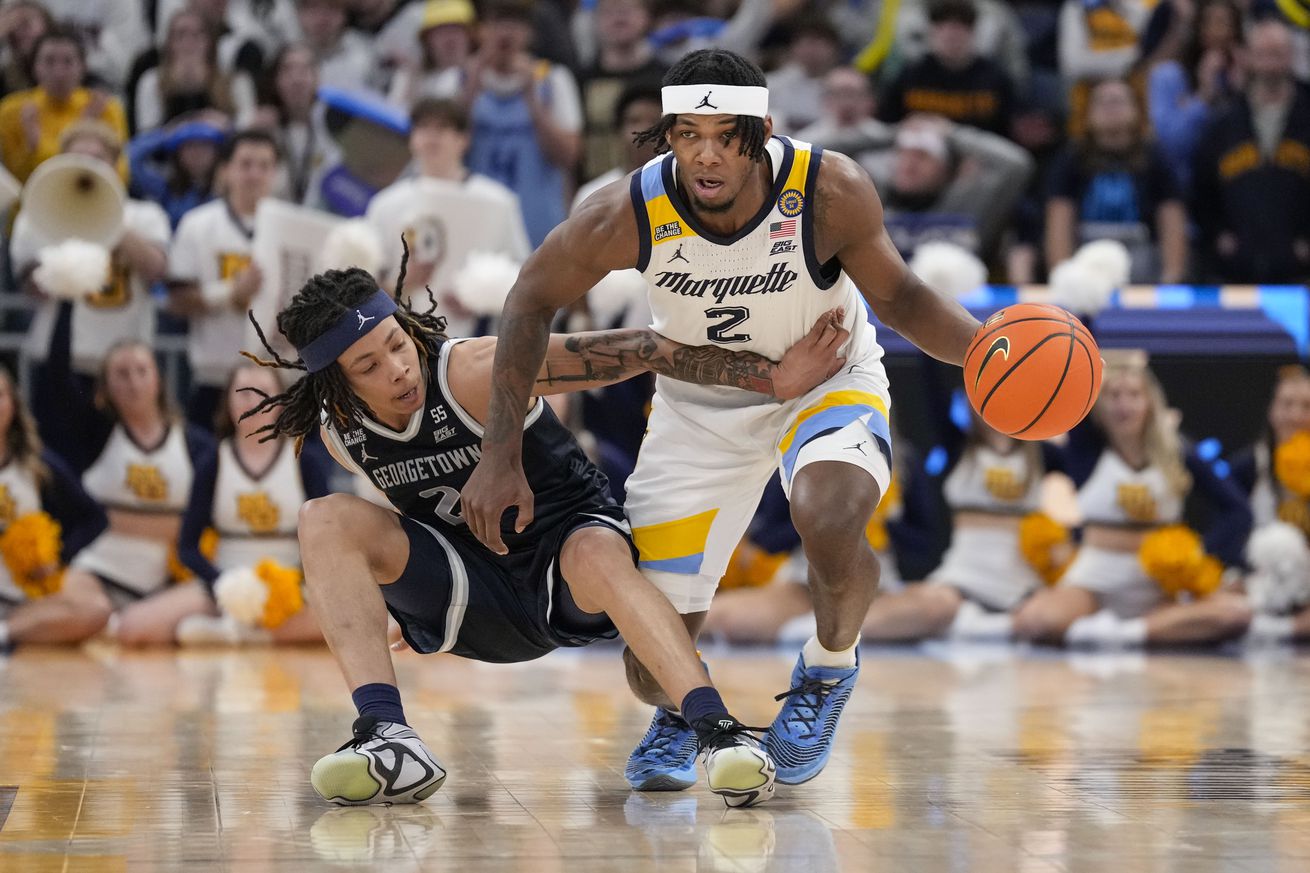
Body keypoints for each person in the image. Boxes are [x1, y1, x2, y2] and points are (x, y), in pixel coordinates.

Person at [463, 48, 981, 790]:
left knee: (827, 512)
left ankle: (827, 672)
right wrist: (499, 453)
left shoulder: (830, 189)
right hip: (699, 411)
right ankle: (680, 708)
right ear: (667, 133)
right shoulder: (629, 210)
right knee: (648, 666)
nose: (705, 155)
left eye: (725, 135)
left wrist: (987, 351)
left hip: (826, 380)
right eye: (687, 134)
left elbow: (899, 299)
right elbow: (528, 298)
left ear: (762, 130)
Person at [243, 252, 852, 807]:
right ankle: (386, 736)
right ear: (337, 385)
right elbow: (406, 518)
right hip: (474, 592)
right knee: (322, 517)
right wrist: (407, 594)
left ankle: (718, 733)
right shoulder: (339, 434)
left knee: (593, 550)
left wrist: (769, 377)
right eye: (369, 365)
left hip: (570, 568)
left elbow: (638, 349)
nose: (399, 370)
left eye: (398, 344)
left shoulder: (477, 371)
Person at [1011, 352, 1254, 648]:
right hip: (1095, 578)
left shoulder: (1177, 452)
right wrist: (1086, 317)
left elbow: (1238, 511)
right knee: (1034, 620)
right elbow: (1077, 379)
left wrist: (1197, 556)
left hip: (1159, 586)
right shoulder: (1086, 453)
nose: (1124, 405)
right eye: (1113, 396)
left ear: (1149, 401)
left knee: (1237, 615)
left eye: (1134, 395)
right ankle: (1125, 630)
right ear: (1098, 405)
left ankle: (1124, 634)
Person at [12, 122, 172, 472]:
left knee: (124, 471)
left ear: (116, 165)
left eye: (97, 160)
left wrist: (109, 219)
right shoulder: (38, 213)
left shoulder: (145, 216)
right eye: (77, 159)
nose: (87, 167)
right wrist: (71, 224)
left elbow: (157, 270)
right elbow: (31, 286)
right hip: (58, 364)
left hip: (122, 372)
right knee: (57, 473)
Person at [62, 342, 216, 644]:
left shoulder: (196, 445)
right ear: (104, 388)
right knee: (86, 613)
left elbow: (207, 521)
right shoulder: (96, 435)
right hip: (98, 571)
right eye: (121, 374)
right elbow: (58, 377)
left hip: (164, 582)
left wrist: (115, 518)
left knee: (133, 632)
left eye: (142, 371)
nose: (133, 382)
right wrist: (67, 299)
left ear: (158, 379)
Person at [169, 364, 330, 645]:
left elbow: (327, 537)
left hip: (292, 587)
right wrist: (222, 583)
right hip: (225, 586)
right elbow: (187, 546)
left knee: (353, 617)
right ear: (227, 400)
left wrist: (294, 582)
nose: (254, 402)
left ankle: (241, 634)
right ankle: (253, 629)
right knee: (136, 629)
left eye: (264, 393)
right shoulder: (212, 462)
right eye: (243, 393)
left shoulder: (305, 461)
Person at [364, 97, 530, 337]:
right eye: (423, 128)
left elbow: (522, 275)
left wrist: (484, 299)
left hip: (477, 339)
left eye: (442, 128)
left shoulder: (497, 202)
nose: (432, 137)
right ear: (412, 138)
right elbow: (364, 283)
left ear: (463, 139)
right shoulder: (385, 204)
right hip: (400, 336)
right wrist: (400, 284)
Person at [167, 129, 279, 428]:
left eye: (264, 166)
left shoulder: (293, 227)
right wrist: (230, 293)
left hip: (279, 381)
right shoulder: (198, 225)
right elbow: (176, 301)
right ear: (226, 170)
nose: (255, 174)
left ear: (276, 173)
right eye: (245, 164)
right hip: (215, 377)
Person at [1191, 19, 1310, 284]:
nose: (1270, 63)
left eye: (1277, 53)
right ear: (1248, 57)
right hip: (1236, 272)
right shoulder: (1223, 123)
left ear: (1292, 56)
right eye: (1263, 54)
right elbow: (1201, 189)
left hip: (1301, 276)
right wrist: (1218, 235)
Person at [458, 0, 584, 248]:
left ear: (530, 33)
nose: (505, 32)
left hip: (540, 228)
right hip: (479, 225)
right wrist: (472, 87)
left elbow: (570, 156)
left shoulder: (554, 79)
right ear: (481, 30)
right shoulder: (460, 79)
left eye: (515, 24)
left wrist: (533, 100)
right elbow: (449, 149)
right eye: (497, 23)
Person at [0, 365, 108, 651]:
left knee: (96, 610)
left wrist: (57, 555)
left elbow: (95, 518)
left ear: (13, 403)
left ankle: (6, 631)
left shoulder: (37, 465)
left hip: (24, 596)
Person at [1044, 78, 1188, 284]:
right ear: (1088, 115)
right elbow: (1059, 218)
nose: (1110, 108)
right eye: (1102, 102)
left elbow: (1172, 217)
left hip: (1142, 255)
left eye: (1118, 101)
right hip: (1085, 255)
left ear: (1137, 111)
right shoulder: (1071, 158)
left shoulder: (1155, 157)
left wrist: (1172, 278)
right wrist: (1062, 275)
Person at [0, 27, 128, 182]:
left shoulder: (105, 107)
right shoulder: (12, 109)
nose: (59, 72)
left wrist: (39, 150)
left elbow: (121, 175)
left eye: (68, 62)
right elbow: (12, 181)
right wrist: (30, 148)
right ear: (35, 66)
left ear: (83, 67)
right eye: (49, 61)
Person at [1146, 0, 1245, 192]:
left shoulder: (1246, 79)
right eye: (1210, 23)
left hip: (1236, 190)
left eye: (1226, 24)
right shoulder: (1168, 76)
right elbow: (1168, 149)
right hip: (1185, 188)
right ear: (1197, 28)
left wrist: (1242, 95)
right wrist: (1203, 97)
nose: (1218, 34)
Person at [878, 0, 1015, 136]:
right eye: (943, 27)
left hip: (980, 154)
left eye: (960, 28)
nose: (951, 34)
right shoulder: (911, 74)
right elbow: (885, 125)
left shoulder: (995, 78)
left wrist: (953, 133)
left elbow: (1009, 135)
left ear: (973, 33)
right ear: (931, 31)